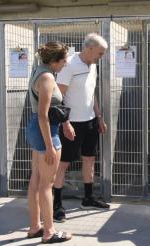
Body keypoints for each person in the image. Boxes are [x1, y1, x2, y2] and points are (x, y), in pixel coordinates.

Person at [52, 33, 109, 222]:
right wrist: (65, 123)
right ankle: (57, 205)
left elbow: (91, 93)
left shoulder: (92, 65)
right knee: (64, 164)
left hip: (90, 121)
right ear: (89, 48)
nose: (101, 57)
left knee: (89, 159)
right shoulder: (69, 65)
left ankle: (88, 198)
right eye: (100, 53)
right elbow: (58, 98)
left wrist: (99, 117)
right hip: (72, 123)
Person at [25, 41, 72, 243]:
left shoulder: (40, 71)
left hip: (38, 129)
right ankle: (49, 232)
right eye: (64, 61)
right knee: (47, 184)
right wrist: (50, 147)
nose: (65, 64)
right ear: (54, 61)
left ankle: (35, 227)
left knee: (36, 180)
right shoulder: (45, 77)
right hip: (45, 130)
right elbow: (44, 116)